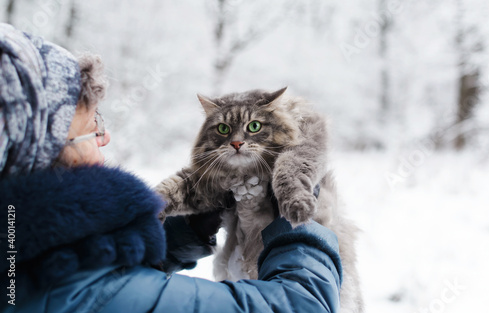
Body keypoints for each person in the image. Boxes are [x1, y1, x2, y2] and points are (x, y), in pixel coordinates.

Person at [0, 23, 342, 313]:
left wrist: (182, 233)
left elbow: (103, 275)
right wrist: (298, 217)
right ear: (37, 150)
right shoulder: (66, 290)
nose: (105, 137)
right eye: (91, 127)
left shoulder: (18, 252)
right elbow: (300, 305)